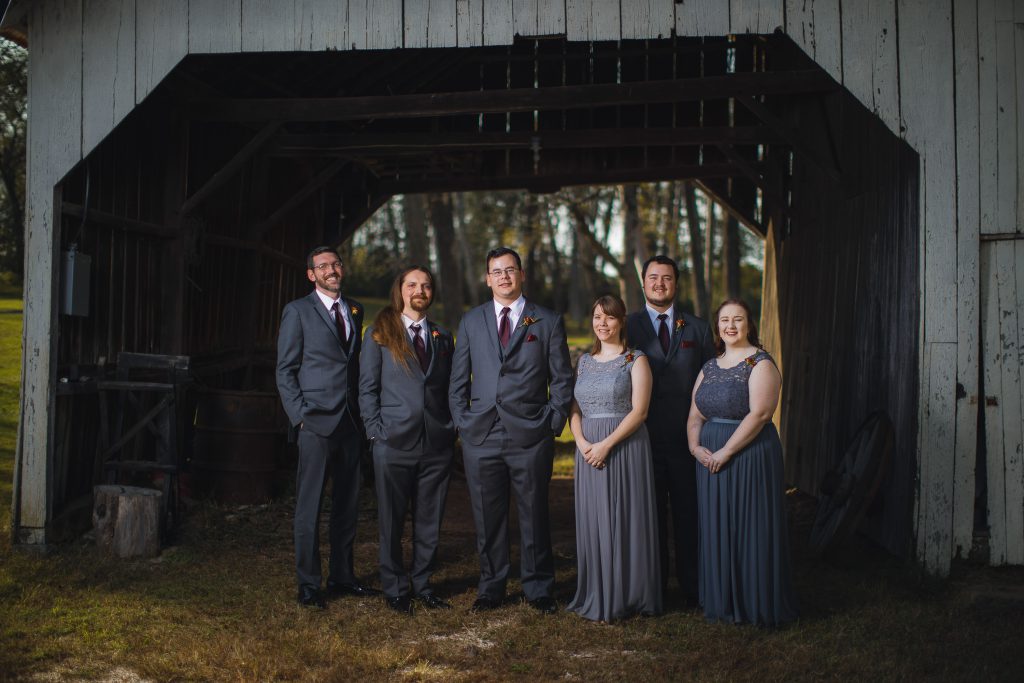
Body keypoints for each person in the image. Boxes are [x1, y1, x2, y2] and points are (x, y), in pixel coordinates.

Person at [449, 246, 573, 614]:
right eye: (496, 271)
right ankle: (491, 587)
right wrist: (462, 421)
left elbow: (562, 378)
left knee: (534, 512)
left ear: (521, 275)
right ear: (487, 278)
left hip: (531, 434)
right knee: (487, 515)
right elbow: (458, 378)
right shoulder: (472, 321)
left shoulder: (547, 320)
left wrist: (551, 423)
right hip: (481, 434)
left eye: (510, 270)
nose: (503, 276)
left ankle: (539, 588)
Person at [276, 246, 380, 608]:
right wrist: (300, 415)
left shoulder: (355, 309)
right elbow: (285, 369)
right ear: (311, 274)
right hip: (316, 422)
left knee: (347, 505)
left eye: (335, 264)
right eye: (323, 266)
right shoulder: (297, 311)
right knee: (309, 507)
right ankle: (308, 584)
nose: (331, 270)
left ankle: (342, 577)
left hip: (350, 422)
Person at [687, 298, 798, 626]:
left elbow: (761, 414)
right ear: (717, 326)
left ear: (749, 325)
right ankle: (721, 600)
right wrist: (695, 446)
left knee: (750, 525)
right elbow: (695, 413)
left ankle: (754, 602)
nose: (730, 326)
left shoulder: (760, 363)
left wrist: (727, 451)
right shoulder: (709, 366)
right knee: (717, 525)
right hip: (709, 456)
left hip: (748, 454)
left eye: (738, 320)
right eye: (724, 320)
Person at [358, 266, 456, 615]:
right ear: (399, 290)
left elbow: (449, 389)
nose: (420, 290)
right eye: (412, 284)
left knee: (430, 519)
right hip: (392, 442)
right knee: (392, 519)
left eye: (426, 285)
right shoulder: (380, 334)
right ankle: (395, 587)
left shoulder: (443, 337)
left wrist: (451, 427)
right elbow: (367, 388)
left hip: (436, 443)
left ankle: (423, 584)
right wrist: (375, 430)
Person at [625, 255, 715, 606]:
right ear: (643, 283)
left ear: (676, 283)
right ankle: (656, 590)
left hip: (686, 438)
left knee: (689, 514)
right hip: (642, 437)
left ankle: (693, 587)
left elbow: (709, 382)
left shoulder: (698, 328)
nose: (659, 283)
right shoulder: (628, 326)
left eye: (666, 278)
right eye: (653, 277)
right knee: (650, 517)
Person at [566, 295, 662, 622]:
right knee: (595, 519)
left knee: (625, 516)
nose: (602, 324)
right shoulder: (584, 362)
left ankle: (629, 593)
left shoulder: (636, 360)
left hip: (623, 446)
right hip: (587, 448)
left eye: (609, 317)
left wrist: (606, 445)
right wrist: (580, 441)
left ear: (621, 321)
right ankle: (596, 587)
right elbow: (575, 408)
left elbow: (640, 411)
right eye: (597, 317)